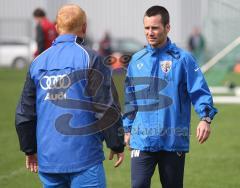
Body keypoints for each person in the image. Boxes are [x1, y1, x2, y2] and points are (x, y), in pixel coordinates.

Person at [16, 4, 124, 188]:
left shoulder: (38, 62)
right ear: (84, 27)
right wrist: (116, 143)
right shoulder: (90, 57)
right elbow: (105, 106)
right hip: (85, 158)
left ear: (57, 27)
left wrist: (29, 149)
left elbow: (25, 113)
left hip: (49, 161)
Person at [123, 5, 217, 188]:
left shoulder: (183, 59)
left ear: (167, 28)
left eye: (155, 27)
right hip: (142, 140)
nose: (150, 32)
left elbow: (199, 91)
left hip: (172, 139)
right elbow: (130, 99)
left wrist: (205, 118)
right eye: (147, 28)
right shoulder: (137, 60)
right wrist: (127, 129)